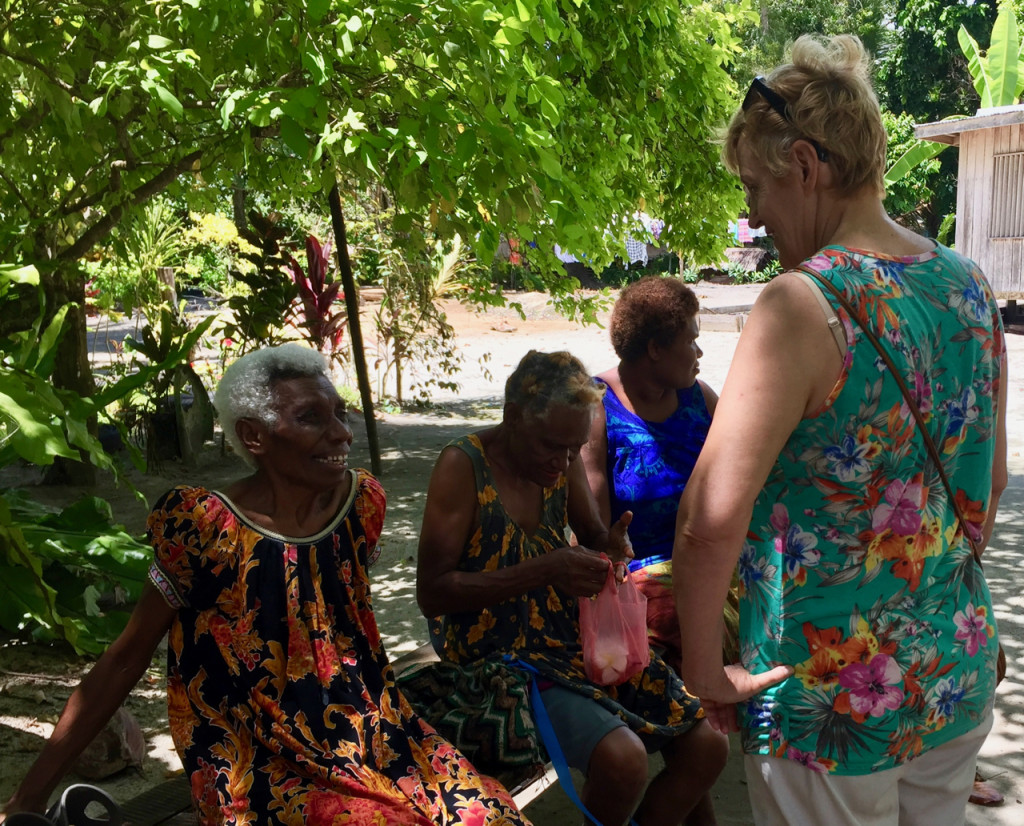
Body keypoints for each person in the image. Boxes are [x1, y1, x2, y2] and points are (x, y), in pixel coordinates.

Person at [672, 35, 1006, 826]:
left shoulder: (799, 305)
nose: (750, 211)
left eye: (755, 184)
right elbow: (984, 488)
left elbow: (708, 519)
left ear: (805, 166)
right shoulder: (967, 285)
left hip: (827, 696)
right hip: (951, 672)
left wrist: (702, 671)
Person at [1, 344, 527, 826]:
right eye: (310, 419)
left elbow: (334, 621)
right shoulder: (204, 528)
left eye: (339, 414)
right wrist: (27, 798)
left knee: (490, 815)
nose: (342, 434)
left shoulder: (359, 504)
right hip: (254, 758)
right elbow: (124, 658)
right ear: (255, 436)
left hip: (374, 732)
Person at [416, 350, 726, 826]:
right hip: (498, 657)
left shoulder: (560, 458)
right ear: (513, 417)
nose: (563, 461)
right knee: (623, 761)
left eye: (572, 448)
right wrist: (545, 569)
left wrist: (612, 544)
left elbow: (595, 534)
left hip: (567, 642)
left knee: (708, 746)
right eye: (551, 446)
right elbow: (433, 593)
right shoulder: (464, 466)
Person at [580, 276, 731, 674]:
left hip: (708, 562)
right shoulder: (597, 409)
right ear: (654, 350)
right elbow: (592, 526)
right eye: (690, 340)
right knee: (677, 625)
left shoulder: (700, 399)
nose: (699, 352)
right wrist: (608, 549)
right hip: (637, 574)